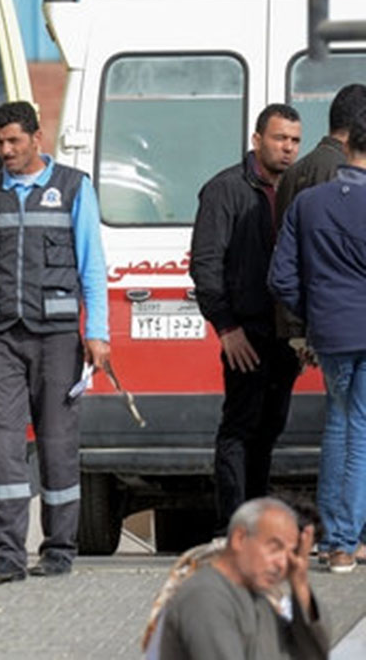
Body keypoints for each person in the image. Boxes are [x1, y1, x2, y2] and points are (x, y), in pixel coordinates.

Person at [0, 100, 109, 584]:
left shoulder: (74, 188)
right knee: (4, 445)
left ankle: (58, 548)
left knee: (57, 445)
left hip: (57, 338)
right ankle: (7, 555)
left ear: (37, 139)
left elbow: (91, 266)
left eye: (14, 141)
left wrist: (97, 332)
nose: (6, 151)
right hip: (1, 337)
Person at [190, 104, 302, 530]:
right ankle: (232, 525)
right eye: (279, 139)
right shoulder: (225, 189)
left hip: (284, 333)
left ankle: (255, 523)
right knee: (240, 428)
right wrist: (226, 327)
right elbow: (205, 264)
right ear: (257, 140)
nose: (287, 148)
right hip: (245, 331)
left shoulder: (295, 189)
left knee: (270, 428)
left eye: (294, 140)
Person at [270, 105, 366, 574]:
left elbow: (281, 278)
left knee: (338, 426)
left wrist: (313, 315)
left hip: (329, 331)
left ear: (346, 146)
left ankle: (331, 539)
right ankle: (346, 542)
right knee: (361, 431)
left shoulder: (310, 203)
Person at [158, 497, 328, 660]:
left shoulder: (260, 600)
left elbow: (310, 654)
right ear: (240, 538)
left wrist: (300, 584)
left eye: (292, 553)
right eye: (274, 548)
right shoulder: (205, 597)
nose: (282, 564)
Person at [274, 84, 366, 361]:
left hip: (303, 321)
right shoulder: (345, 176)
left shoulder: (295, 171)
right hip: (336, 326)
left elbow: (285, 259)